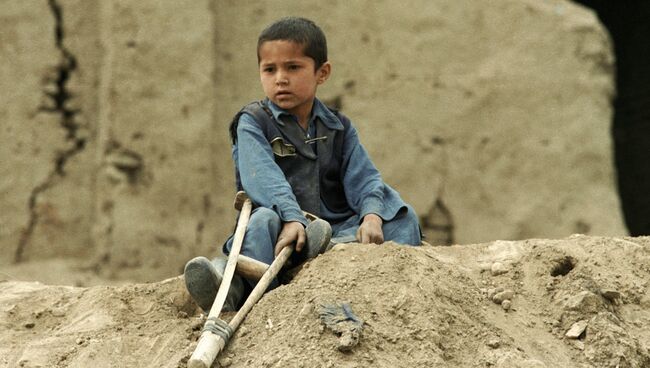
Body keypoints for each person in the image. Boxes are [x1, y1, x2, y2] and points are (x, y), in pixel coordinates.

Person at [184, 16, 421, 313]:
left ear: (322, 73)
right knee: (260, 222)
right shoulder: (253, 122)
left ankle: (326, 248)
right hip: (279, 228)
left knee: (402, 216)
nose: (280, 78)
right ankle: (230, 291)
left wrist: (371, 215)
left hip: (331, 228)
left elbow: (365, 178)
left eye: (292, 67)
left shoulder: (338, 126)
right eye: (269, 69)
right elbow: (263, 178)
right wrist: (292, 217)